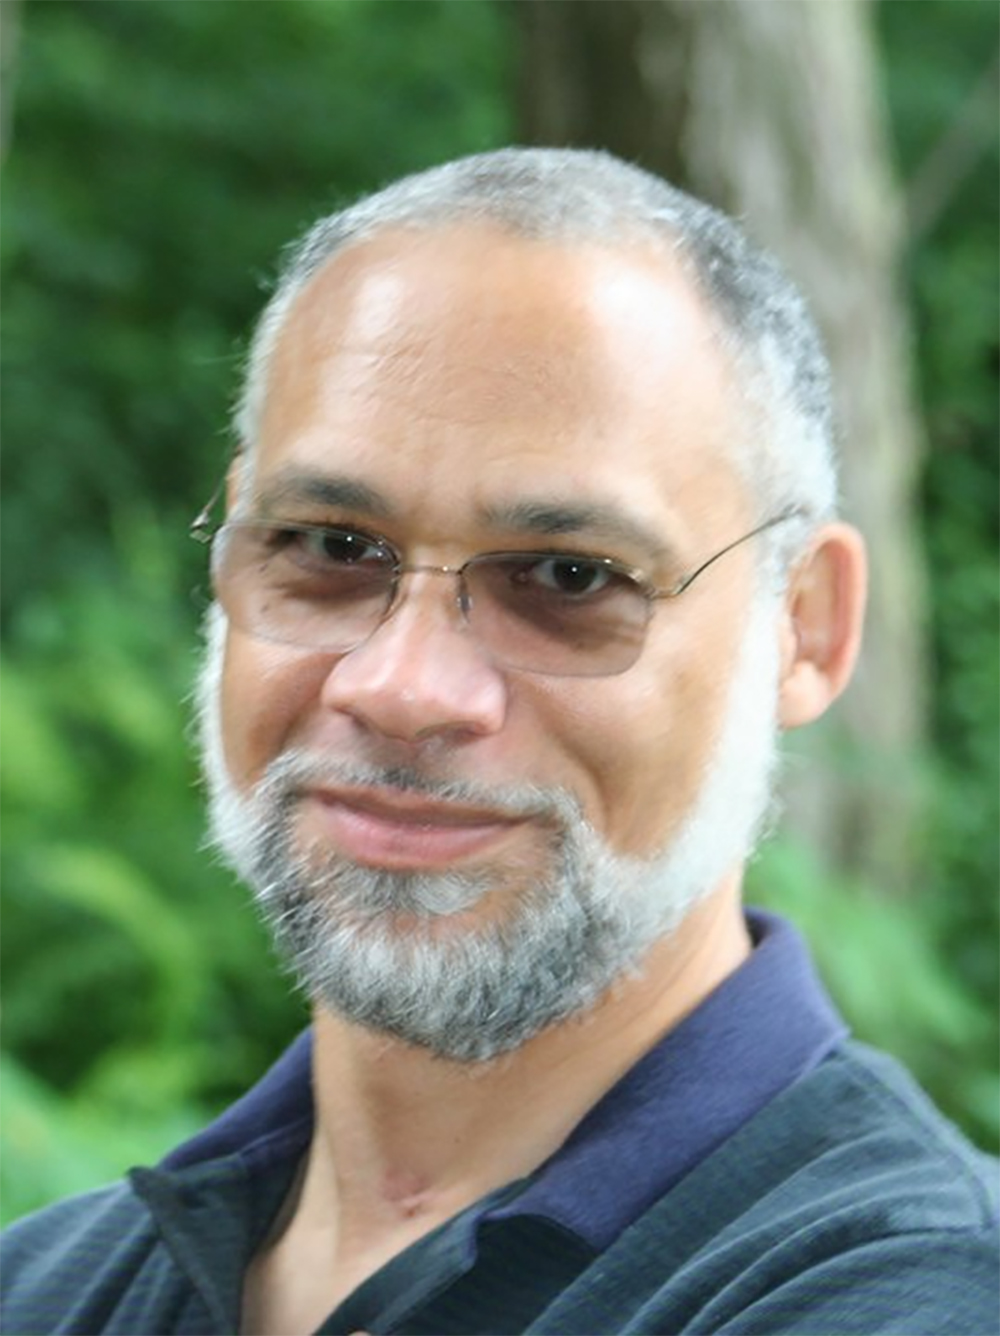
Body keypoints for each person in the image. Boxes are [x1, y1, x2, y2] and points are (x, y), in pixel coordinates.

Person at [2, 147, 996, 1336]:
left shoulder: (913, 1297)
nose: (403, 687)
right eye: (329, 547)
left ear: (805, 628)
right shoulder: (44, 1290)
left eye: (568, 578)